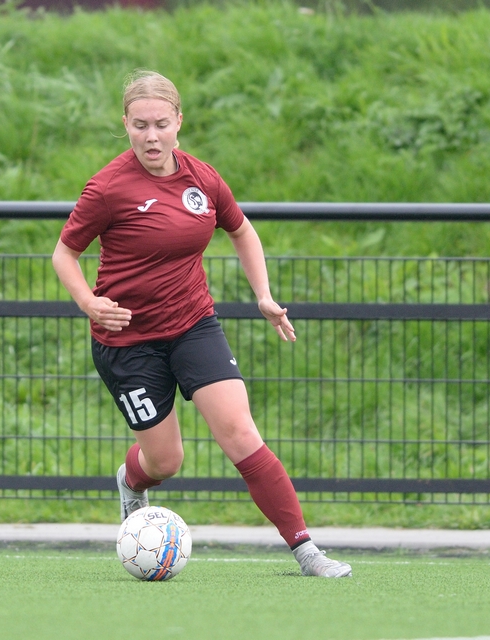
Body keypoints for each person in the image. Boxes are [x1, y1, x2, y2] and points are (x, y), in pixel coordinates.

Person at [52, 70, 352, 579]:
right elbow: (64, 253)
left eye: (161, 124)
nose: (151, 137)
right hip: (127, 342)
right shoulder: (107, 188)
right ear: (125, 124)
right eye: (140, 125)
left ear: (178, 122)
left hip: (194, 326)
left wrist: (263, 296)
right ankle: (131, 480)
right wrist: (88, 301)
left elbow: (242, 230)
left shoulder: (203, 179)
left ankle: (306, 551)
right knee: (165, 462)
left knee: (240, 433)